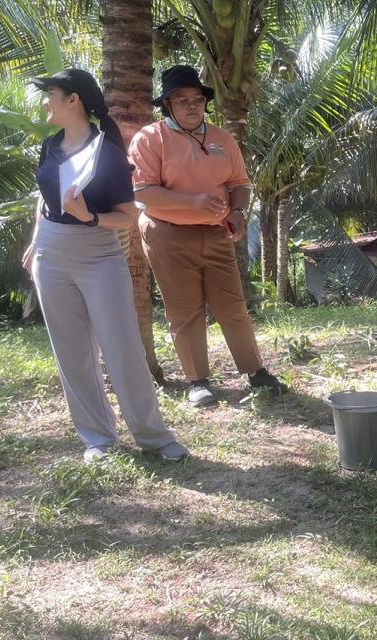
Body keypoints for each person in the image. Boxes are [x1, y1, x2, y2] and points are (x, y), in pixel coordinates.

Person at [23, 68, 188, 463]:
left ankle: (154, 436)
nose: (47, 102)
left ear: (73, 100)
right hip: (50, 254)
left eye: (52, 94)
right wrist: (35, 240)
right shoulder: (49, 146)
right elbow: (44, 199)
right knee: (71, 353)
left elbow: (127, 215)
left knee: (123, 347)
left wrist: (89, 218)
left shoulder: (108, 152)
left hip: (98, 254)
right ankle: (98, 438)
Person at [128, 65, 287, 408]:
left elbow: (239, 184)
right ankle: (197, 382)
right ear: (167, 105)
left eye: (197, 99)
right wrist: (193, 201)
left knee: (233, 306)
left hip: (217, 233)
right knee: (184, 310)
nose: (191, 106)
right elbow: (142, 193)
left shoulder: (222, 138)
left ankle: (256, 373)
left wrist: (239, 212)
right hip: (167, 234)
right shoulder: (150, 139)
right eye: (182, 100)